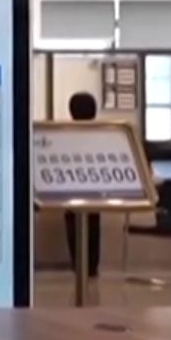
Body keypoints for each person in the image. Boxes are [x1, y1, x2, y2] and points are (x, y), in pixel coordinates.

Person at [62, 92, 103, 279]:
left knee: (73, 226)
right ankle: (91, 267)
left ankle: (78, 265)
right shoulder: (102, 133)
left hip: (70, 188)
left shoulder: (64, 133)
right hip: (94, 189)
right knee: (93, 225)